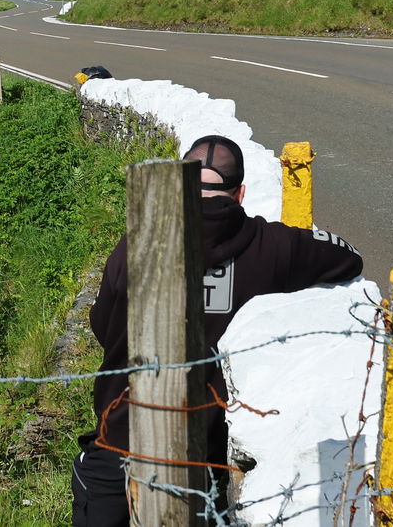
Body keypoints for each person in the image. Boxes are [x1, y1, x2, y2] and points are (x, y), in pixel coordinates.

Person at [72, 135, 363, 526]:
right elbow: (348, 257)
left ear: (178, 183)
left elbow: (102, 327)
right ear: (240, 193)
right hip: (204, 457)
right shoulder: (273, 246)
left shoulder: (136, 246)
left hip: (122, 440)